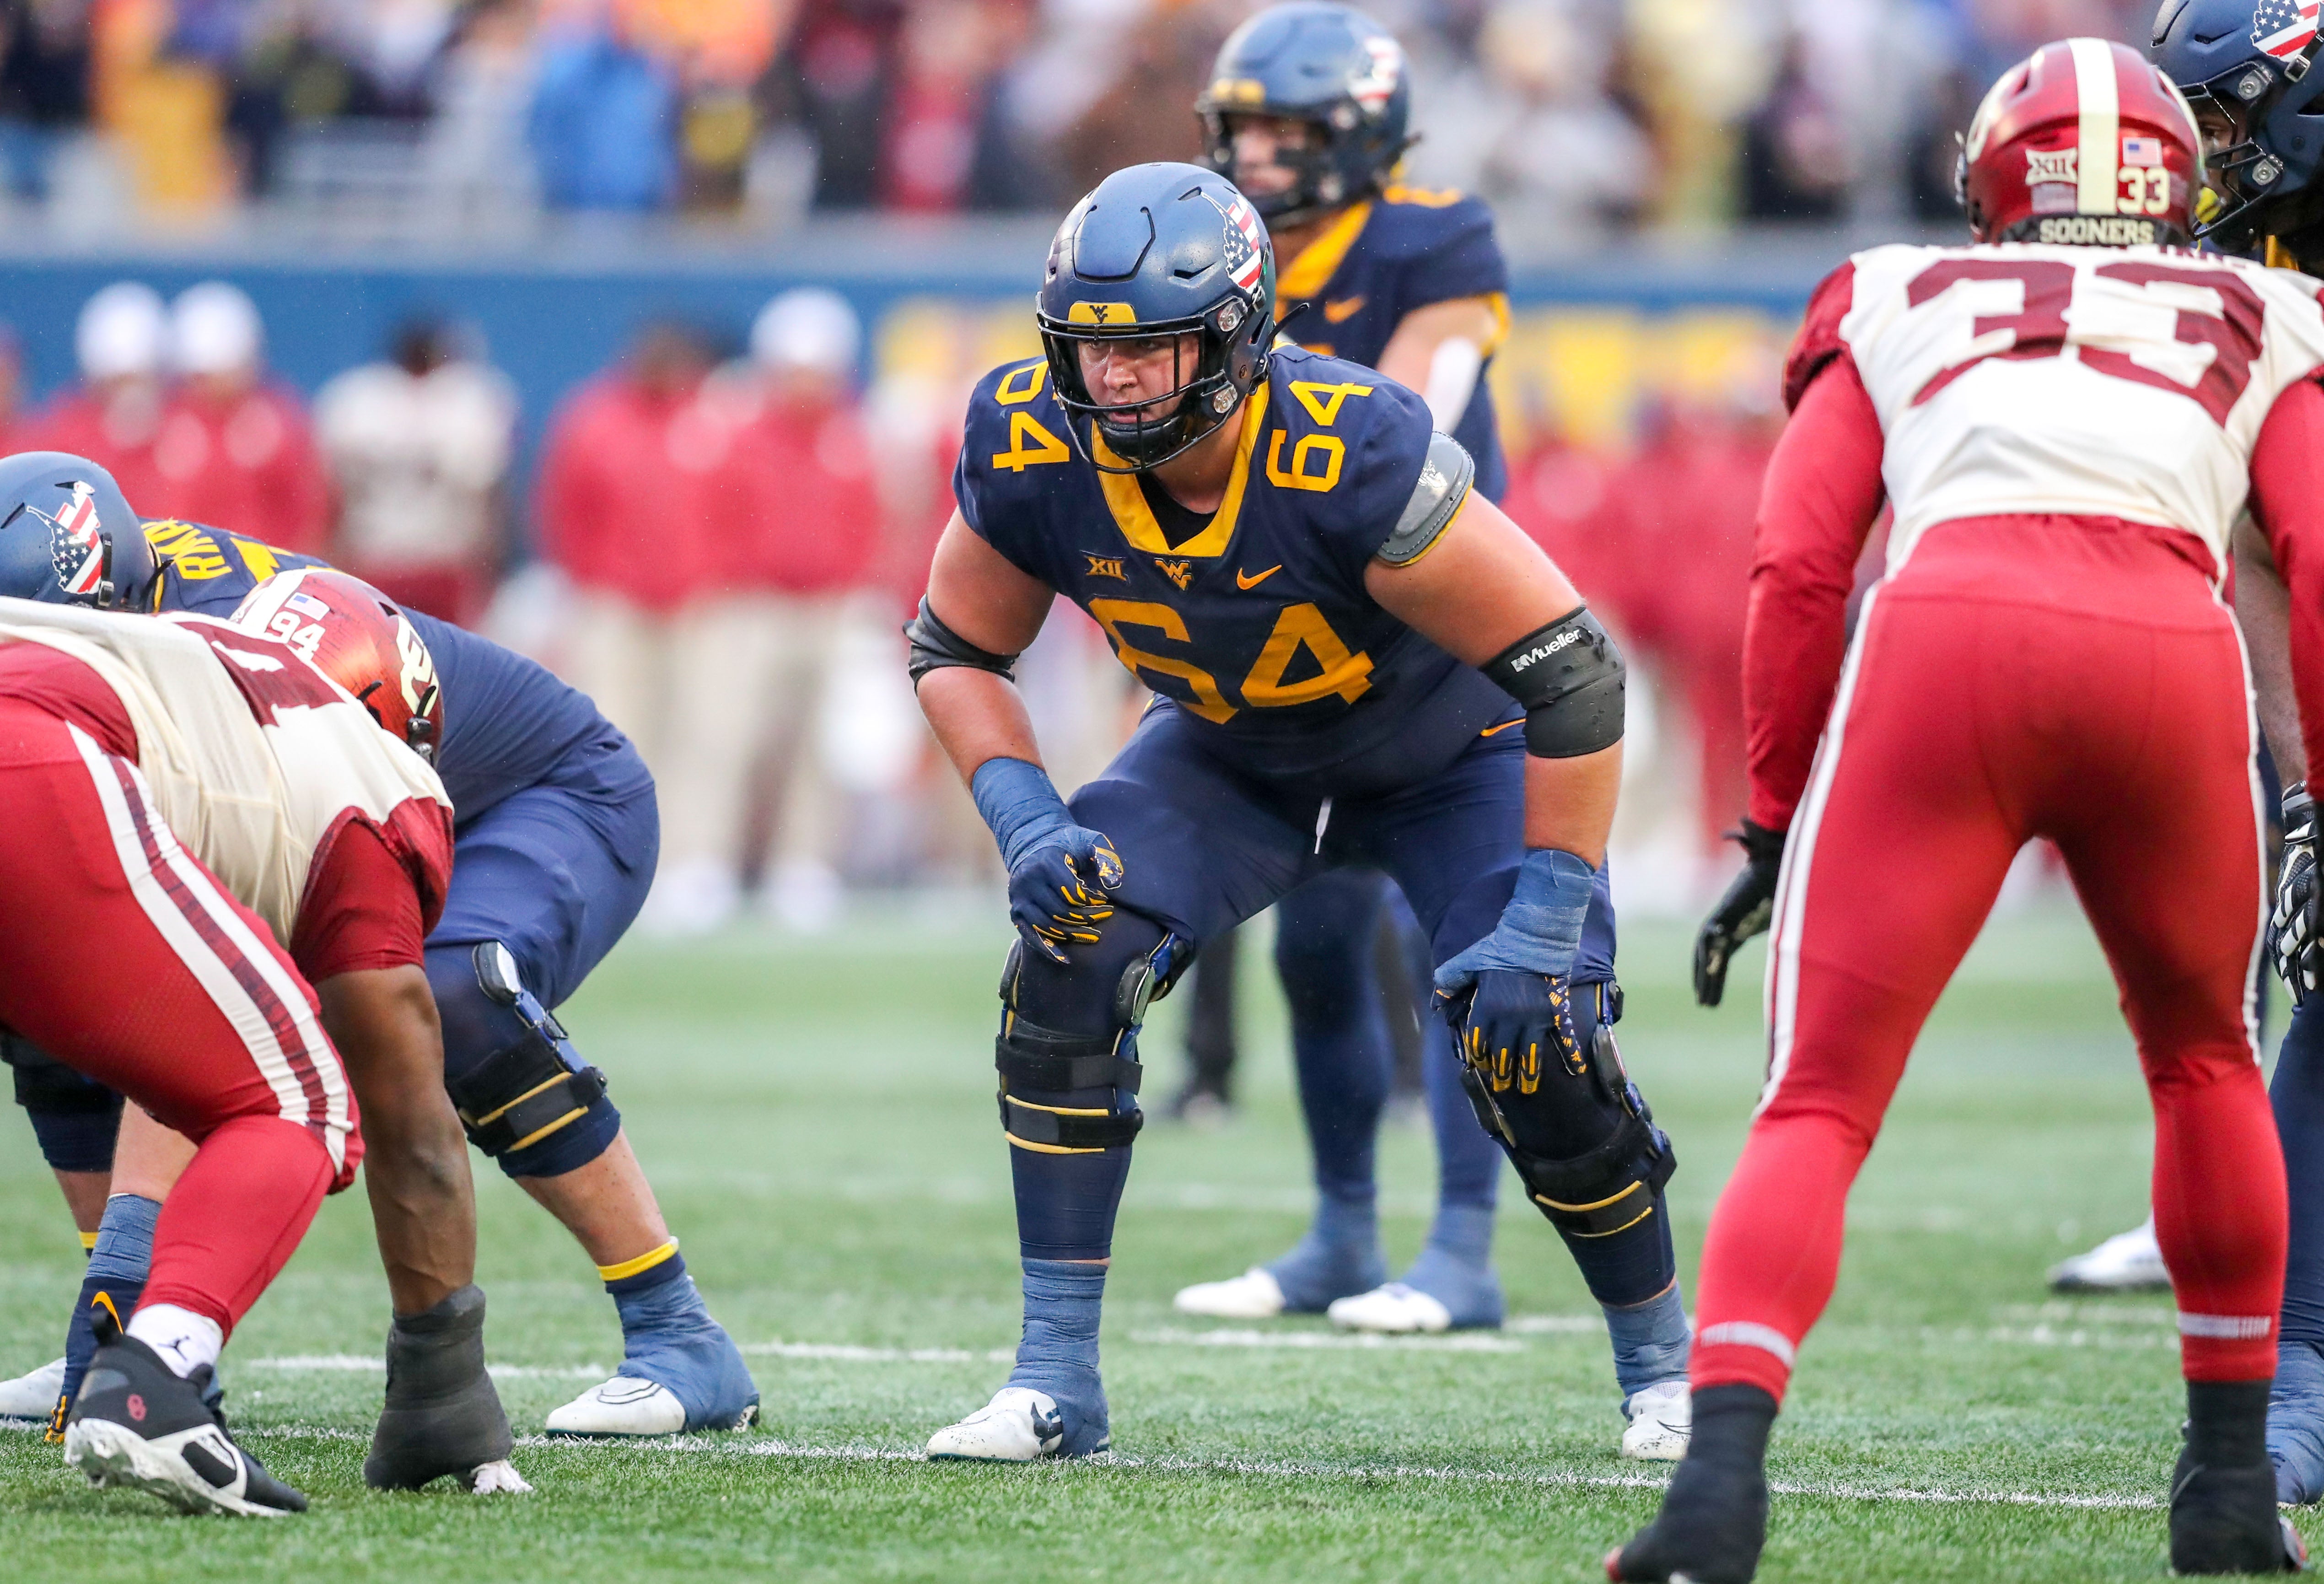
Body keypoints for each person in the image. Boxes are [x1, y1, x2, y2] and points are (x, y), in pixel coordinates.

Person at [1618, 40, 2323, 1580]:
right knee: (2207, 1063)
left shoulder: (1893, 289)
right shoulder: (2269, 308)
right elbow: (2320, 560)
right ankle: (2223, 1490)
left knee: (1819, 1102)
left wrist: (1771, 813)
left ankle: (1715, 1496)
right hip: (2168, 648)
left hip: (1952, 639)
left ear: (1993, 171)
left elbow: (1800, 565)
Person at [911, 161, 1686, 1463]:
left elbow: (1572, 670)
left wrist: (1553, 903)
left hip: (1453, 755)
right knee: (1071, 946)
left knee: (1534, 1025)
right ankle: (1053, 1379)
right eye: (1094, 348)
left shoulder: (1348, 441)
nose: (1117, 380)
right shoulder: (1026, 438)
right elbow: (955, 648)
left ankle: (1666, 1368)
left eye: (1154, 347)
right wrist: (1027, 816)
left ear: (1237, 331)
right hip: (1235, 755)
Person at [0, 461, 760, 1446]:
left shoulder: (214, 648)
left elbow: (224, 938)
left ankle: (676, 1329)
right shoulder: (106, 611)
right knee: (48, 977)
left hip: (536, 797)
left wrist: (122, 1281)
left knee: (448, 998)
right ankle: (150, 1328)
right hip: (351, 815)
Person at [1171, 4, 1606, 1361]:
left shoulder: (1433, 235)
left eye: (1290, 131)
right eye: (1243, 129)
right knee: (1311, 939)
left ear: (1362, 134)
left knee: (1459, 948)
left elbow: (1411, 405)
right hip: (1302, 632)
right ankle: (1341, 1230)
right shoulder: (1209, 240)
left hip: (1438, 622)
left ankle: (1462, 1246)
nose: (1261, 155)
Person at [0, 477, 465, 1514]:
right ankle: (157, 1372)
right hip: (31, 761)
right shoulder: (368, 770)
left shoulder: (168, 664)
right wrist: (446, 1366)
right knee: (299, 1097)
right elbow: (403, 1078)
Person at [534, 322, 742, 933]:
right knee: (616, 736)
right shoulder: (593, 418)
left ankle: (696, 861)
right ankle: (617, 861)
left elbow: (737, 506)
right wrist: (584, 580)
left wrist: (720, 575)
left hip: (701, 602)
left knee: (703, 735)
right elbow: (562, 507)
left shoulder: (713, 417)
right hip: (614, 603)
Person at [729, 287, 881, 926]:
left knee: (820, 744)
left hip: (833, 603)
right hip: (753, 602)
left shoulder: (855, 435)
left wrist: (868, 591)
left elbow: (876, 522)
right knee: (734, 739)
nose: (806, 383)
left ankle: (805, 862)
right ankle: (709, 861)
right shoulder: (736, 431)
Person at [314, 317, 518, 629]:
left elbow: (331, 496)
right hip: (433, 559)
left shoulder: (355, 400)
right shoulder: (470, 402)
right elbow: (493, 501)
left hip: (389, 558)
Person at [147, 283, 330, 557]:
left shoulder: (277, 421)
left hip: (264, 577)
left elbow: (310, 512)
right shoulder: (162, 421)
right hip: (179, 577)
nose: (210, 386)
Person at [27, 283, 170, 509]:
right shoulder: (64, 434)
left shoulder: (184, 431)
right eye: (118, 381)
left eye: (139, 379)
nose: (129, 394)